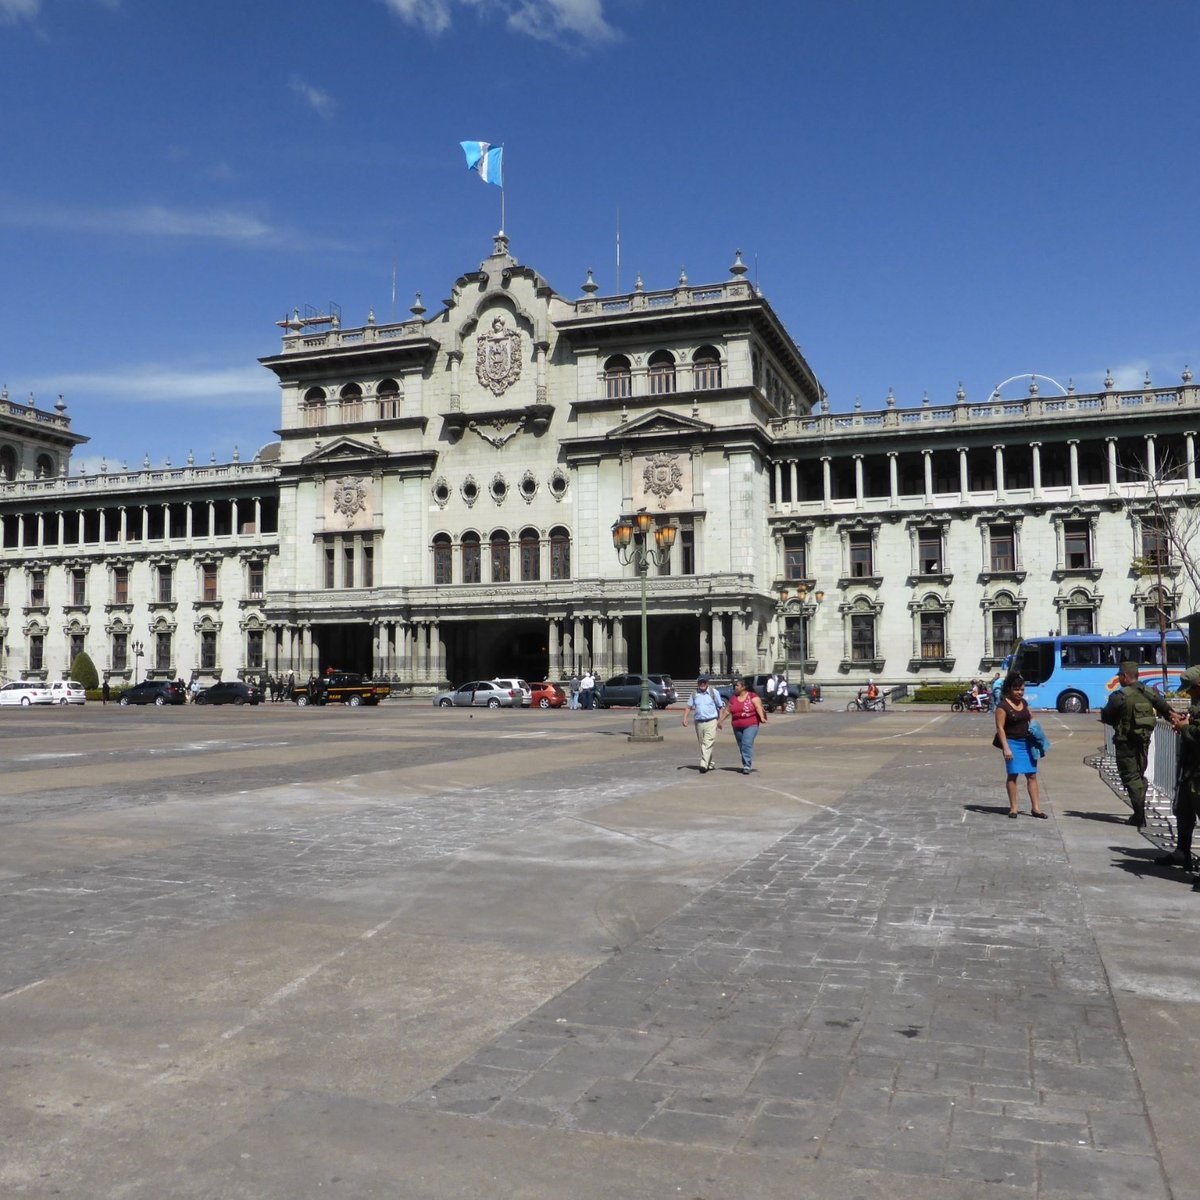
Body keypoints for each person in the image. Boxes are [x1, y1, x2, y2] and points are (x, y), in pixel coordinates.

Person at [1100, 660, 1178, 827]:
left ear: (1126, 676)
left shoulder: (1119, 696)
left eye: (1120, 676)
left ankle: (1139, 815)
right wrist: (1175, 718)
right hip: (1143, 742)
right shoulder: (1149, 692)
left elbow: (1107, 716)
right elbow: (1166, 709)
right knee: (1139, 775)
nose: (1119, 679)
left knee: (1131, 777)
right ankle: (1139, 811)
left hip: (1125, 743)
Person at [1157, 665, 1200, 878]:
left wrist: (1184, 727)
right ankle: (1183, 852)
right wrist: (1186, 721)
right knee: (1183, 812)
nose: (1188, 693)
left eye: (1191, 689)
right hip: (1190, 770)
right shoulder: (1197, 703)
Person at [994, 672, 1047, 819]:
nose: (1019, 692)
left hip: (1027, 743)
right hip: (1012, 743)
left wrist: (1035, 728)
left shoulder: (1024, 703)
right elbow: (1000, 728)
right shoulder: (1002, 706)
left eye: (1022, 689)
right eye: (1016, 689)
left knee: (1032, 775)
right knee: (1012, 775)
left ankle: (1036, 808)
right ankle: (1014, 808)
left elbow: (1031, 716)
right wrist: (1006, 748)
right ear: (1009, 689)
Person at [718, 676, 768, 774]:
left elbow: (758, 707)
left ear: (743, 687)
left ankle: (747, 765)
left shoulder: (752, 696)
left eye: (737, 685)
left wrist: (762, 717)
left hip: (751, 724)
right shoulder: (733, 698)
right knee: (741, 746)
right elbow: (728, 711)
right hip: (737, 725)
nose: (735, 687)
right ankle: (746, 762)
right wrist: (721, 721)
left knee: (746, 744)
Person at [682, 675, 724, 773]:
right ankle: (710, 763)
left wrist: (720, 720)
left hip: (711, 721)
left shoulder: (714, 692)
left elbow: (720, 707)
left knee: (707, 742)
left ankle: (703, 764)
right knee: (703, 744)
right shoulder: (694, 693)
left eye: (704, 682)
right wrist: (685, 718)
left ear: (707, 683)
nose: (702, 684)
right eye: (700, 682)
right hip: (699, 722)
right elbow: (688, 707)